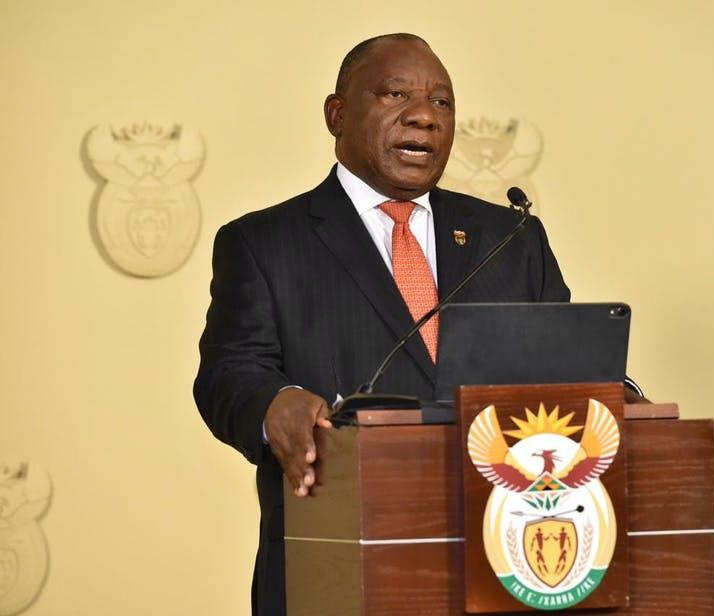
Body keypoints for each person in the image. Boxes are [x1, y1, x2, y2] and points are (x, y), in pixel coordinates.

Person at [193, 33, 569, 615]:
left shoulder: (512, 239)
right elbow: (228, 373)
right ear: (337, 115)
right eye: (396, 95)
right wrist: (275, 403)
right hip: (338, 562)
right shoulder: (264, 242)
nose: (424, 116)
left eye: (442, 103)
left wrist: (611, 394)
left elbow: (570, 370)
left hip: (505, 559)